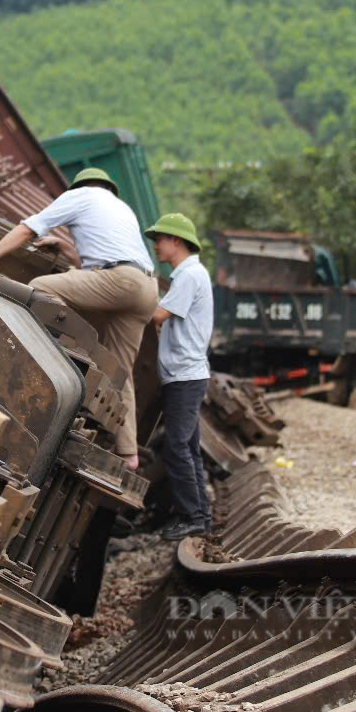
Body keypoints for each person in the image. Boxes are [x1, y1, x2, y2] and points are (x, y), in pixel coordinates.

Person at [0, 168, 156, 468]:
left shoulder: (80, 195)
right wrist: (66, 247)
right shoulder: (122, 209)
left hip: (121, 281)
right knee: (122, 370)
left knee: (40, 288)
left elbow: (28, 229)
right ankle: (129, 453)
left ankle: (48, 355)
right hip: (146, 288)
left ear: (81, 186)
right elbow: (98, 265)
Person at [143, 214, 214, 540]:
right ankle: (200, 515)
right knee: (189, 447)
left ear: (176, 241)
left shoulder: (189, 276)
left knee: (176, 447)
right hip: (184, 374)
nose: (156, 245)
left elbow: (158, 314)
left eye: (160, 239)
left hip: (185, 376)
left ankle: (193, 517)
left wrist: (128, 295)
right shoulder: (188, 275)